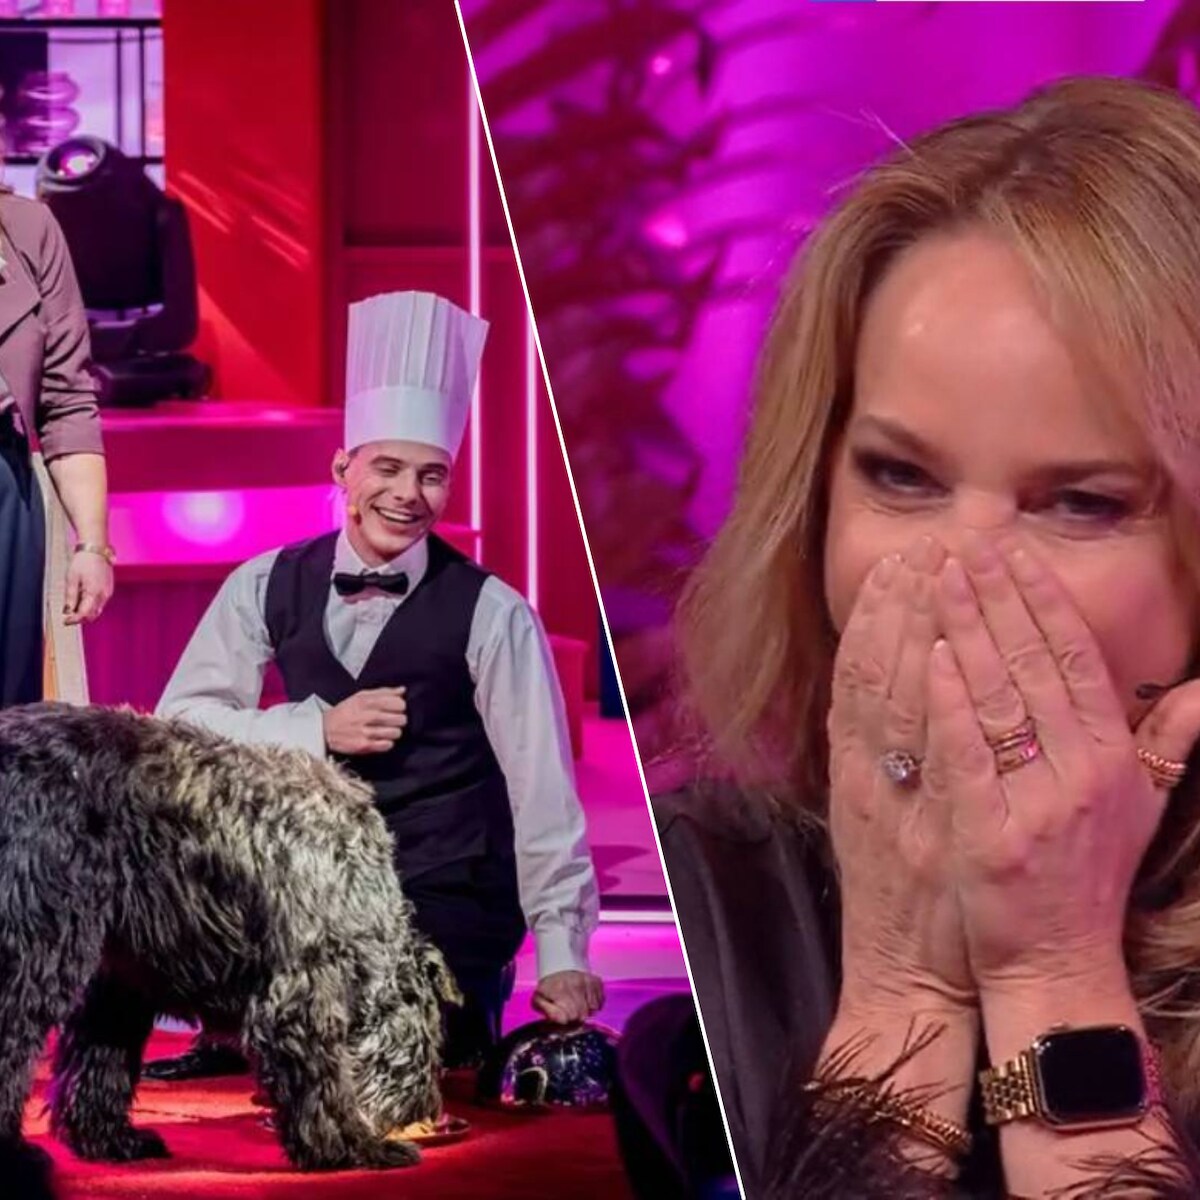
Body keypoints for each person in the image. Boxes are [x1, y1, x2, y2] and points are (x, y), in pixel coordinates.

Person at [649, 76, 1200, 1198]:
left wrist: (1053, 971)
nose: (960, 573)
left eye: (1082, 502)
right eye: (901, 477)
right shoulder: (699, 898)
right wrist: (902, 996)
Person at [151, 290, 604, 1078]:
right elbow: (179, 723)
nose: (408, 494)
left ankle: (429, 1012)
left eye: (432, 476)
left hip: (445, 881)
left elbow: (542, 790)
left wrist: (563, 951)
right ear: (343, 469)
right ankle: (250, 1027)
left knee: (380, 1044)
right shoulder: (265, 581)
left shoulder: (493, 612)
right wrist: (313, 728)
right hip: (307, 872)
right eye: (388, 468)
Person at [0, 188, 113, 706]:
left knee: (10, 712)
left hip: (7, 495)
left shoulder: (29, 228)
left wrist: (92, 545)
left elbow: (66, 400)